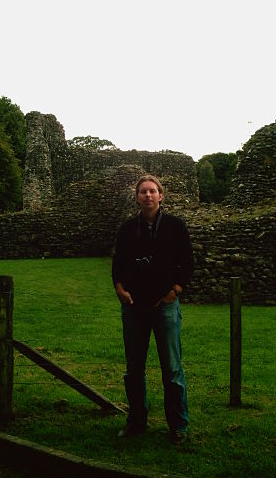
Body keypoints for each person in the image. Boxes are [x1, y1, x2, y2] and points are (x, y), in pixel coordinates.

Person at [112, 174, 193, 444]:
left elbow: (187, 262)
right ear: (136, 197)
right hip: (134, 307)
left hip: (164, 307)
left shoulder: (175, 226)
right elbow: (118, 264)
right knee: (134, 369)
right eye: (143, 191)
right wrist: (120, 289)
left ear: (161, 196)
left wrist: (175, 291)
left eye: (152, 191)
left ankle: (178, 426)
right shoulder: (126, 229)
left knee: (171, 368)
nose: (148, 195)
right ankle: (137, 421)